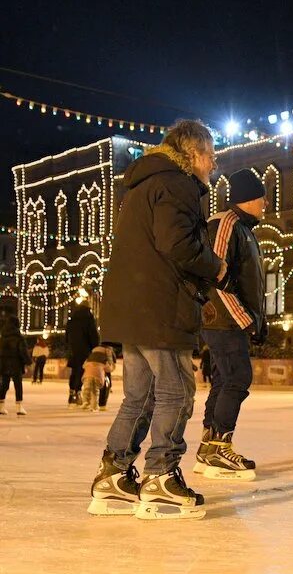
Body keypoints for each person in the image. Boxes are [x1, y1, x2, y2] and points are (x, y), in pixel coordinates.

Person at [88, 119, 229, 519]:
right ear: (195, 153)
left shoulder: (143, 184)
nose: (213, 166)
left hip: (132, 307)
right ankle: (161, 477)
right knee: (175, 392)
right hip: (160, 306)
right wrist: (215, 266)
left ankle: (113, 475)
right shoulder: (177, 184)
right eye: (211, 157)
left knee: (141, 394)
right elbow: (176, 244)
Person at [195, 168, 268, 481]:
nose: (266, 202)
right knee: (237, 376)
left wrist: (257, 319)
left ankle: (208, 447)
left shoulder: (245, 229)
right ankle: (217, 447)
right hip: (222, 318)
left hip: (232, 317)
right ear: (248, 198)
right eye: (262, 196)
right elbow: (216, 275)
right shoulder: (225, 223)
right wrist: (245, 318)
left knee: (226, 379)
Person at [65, 301, 99, 408]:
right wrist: (95, 347)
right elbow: (93, 335)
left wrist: (69, 348)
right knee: (82, 372)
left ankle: (72, 395)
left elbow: (66, 337)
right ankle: (78, 393)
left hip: (73, 351)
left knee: (74, 372)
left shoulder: (72, 320)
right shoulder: (88, 319)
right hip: (85, 351)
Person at [0, 317, 31, 416]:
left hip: (4, 364)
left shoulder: (2, 337)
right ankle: (19, 407)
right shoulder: (18, 337)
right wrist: (28, 362)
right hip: (16, 364)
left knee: (4, 385)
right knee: (18, 385)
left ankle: (1, 406)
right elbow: (23, 351)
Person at [82, 344, 114, 413]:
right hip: (97, 377)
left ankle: (85, 402)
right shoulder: (104, 359)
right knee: (95, 392)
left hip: (87, 376)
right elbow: (108, 369)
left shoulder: (89, 359)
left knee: (86, 389)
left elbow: (83, 366)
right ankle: (94, 407)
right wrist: (111, 367)